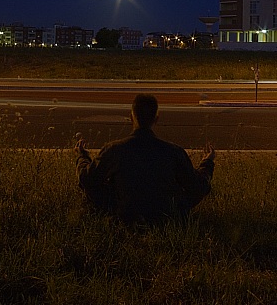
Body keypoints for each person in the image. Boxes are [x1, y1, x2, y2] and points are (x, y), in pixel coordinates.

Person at [75, 93, 215, 225]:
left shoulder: (114, 150)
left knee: (92, 186)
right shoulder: (173, 152)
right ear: (156, 119)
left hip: (125, 214)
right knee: (200, 187)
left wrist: (83, 156)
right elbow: (196, 187)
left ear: (131, 117)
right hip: (167, 216)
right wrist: (207, 163)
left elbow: (86, 179)